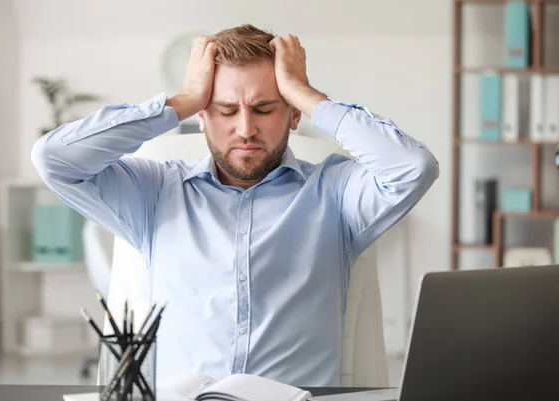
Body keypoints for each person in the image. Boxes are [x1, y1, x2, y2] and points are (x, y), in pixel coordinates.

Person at [31, 24, 439, 387]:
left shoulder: (335, 191)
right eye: (226, 110)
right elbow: (54, 159)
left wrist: (308, 95)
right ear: (203, 117)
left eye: (264, 108)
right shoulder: (154, 192)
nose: (245, 129)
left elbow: (414, 167)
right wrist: (183, 101)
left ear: (293, 116)